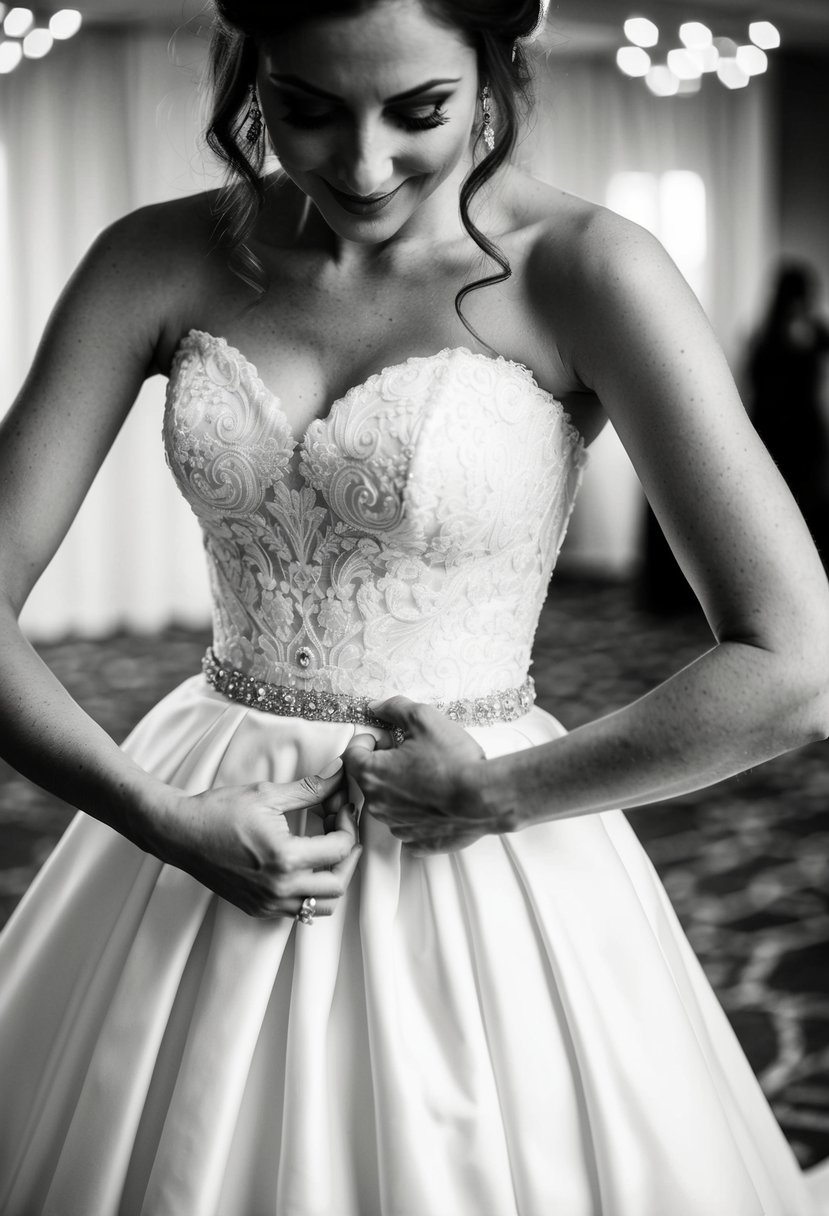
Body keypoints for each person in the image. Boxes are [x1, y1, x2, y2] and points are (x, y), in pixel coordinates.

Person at [0, 1, 828, 1212]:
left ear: (496, 69)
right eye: (307, 110)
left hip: (481, 823)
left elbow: (795, 661)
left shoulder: (587, 270)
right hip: (197, 802)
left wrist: (497, 792)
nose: (366, 163)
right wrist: (160, 816)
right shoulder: (155, 257)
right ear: (249, 75)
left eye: (420, 110)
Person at [747, 260, 829, 564]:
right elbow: (755, 385)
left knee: (807, 509)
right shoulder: (765, 337)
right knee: (776, 510)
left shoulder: (814, 331)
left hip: (802, 435)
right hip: (777, 433)